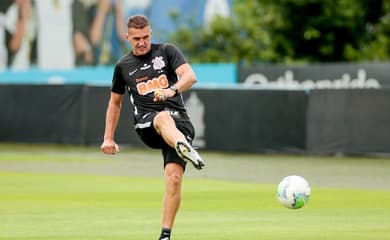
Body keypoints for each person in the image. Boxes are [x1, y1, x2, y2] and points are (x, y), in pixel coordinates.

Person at [100, 14, 205, 240]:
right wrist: (108, 137)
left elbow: (190, 76)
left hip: (180, 121)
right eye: (136, 38)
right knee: (162, 118)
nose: (142, 42)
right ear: (127, 37)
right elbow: (115, 103)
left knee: (174, 178)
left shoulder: (167, 51)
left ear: (151, 34)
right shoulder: (122, 66)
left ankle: (165, 235)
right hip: (148, 123)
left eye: (146, 37)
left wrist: (171, 90)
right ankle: (184, 146)